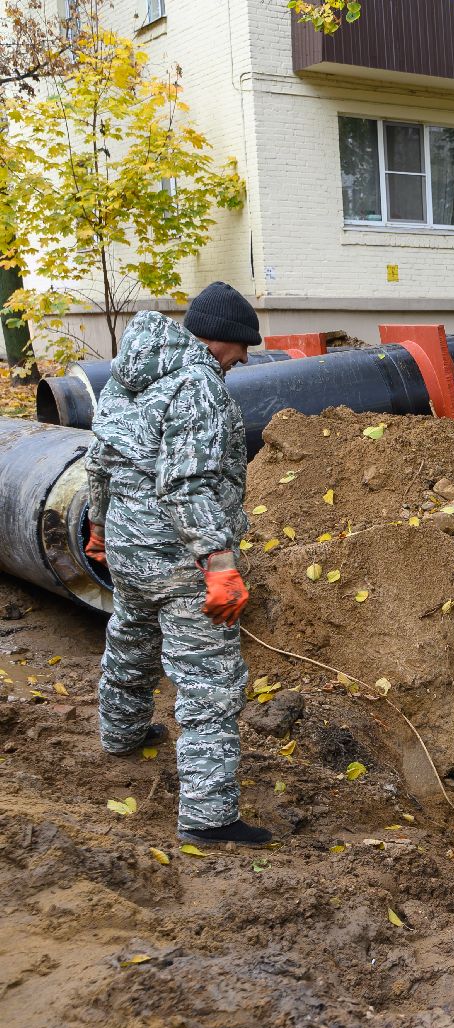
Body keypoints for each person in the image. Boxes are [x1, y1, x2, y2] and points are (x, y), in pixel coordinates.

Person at [85, 284, 269, 846]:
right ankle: (209, 818)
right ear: (220, 340)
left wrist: (99, 527)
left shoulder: (128, 375)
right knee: (209, 680)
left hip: (127, 546)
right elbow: (188, 485)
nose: (244, 359)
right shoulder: (199, 384)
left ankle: (121, 734)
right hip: (178, 559)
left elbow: (100, 458)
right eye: (243, 347)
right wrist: (219, 564)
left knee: (132, 638)